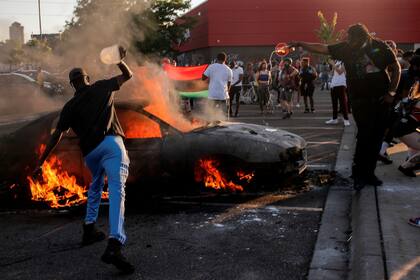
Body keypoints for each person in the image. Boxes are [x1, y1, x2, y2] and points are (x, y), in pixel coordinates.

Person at [32, 47, 135, 274]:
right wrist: (119, 61)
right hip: (111, 145)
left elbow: (56, 136)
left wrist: (41, 162)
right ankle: (115, 243)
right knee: (117, 191)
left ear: (72, 85)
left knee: (96, 186)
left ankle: (89, 228)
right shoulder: (101, 87)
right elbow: (128, 75)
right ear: (87, 78)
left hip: (90, 153)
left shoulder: (69, 106)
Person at [290, 23, 401, 190]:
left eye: (351, 38)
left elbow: (396, 69)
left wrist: (391, 93)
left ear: (362, 38)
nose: (348, 41)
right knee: (364, 136)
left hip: (381, 99)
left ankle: (369, 174)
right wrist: (300, 43)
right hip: (359, 99)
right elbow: (322, 48)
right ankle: (358, 176)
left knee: (376, 137)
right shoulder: (346, 48)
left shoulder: (379, 47)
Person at [202, 52, 233, 118]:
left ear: (217, 59)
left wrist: (210, 73)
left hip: (212, 94)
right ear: (225, 59)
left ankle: (211, 125)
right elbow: (229, 83)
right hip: (223, 94)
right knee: (224, 114)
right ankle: (225, 124)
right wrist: (228, 91)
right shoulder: (229, 70)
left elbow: (203, 78)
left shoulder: (211, 66)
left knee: (211, 113)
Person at [325, 59, 351, 126]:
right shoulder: (335, 62)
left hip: (341, 84)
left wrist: (333, 64)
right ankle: (334, 119)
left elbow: (340, 72)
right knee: (334, 103)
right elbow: (331, 74)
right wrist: (333, 66)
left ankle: (346, 119)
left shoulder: (343, 62)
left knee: (343, 103)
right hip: (333, 85)